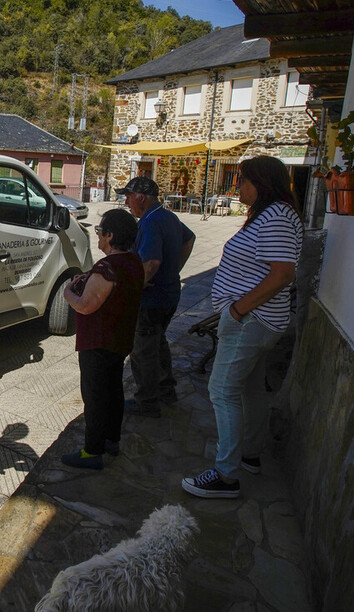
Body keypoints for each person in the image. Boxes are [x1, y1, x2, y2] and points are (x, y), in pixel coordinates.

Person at [182, 156, 303, 499]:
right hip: (258, 320)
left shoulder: (276, 215)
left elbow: (282, 274)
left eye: (243, 180)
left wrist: (236, 310)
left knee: (221, 390)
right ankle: (248, 454)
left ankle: (226, 475)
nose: (238, 187)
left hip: (251, 321)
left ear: (261, 183)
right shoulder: (272, 214)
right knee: (250, 390)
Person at [60, 209, 143, 470]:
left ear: (110, 236)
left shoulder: (107, 267)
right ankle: (111, 440)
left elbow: (86, 305)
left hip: (98, 342)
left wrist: (67, 293)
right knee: (113, 391)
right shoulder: (134, 262)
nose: (97, 235)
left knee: (94, 396)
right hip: (119, 340)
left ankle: (92, 451)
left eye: (100, 231)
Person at [121, 177, 196, 417]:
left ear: (141, 197)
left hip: (152, 300)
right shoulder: (167, 216)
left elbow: (151, 262)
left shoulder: (151, 222)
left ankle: (147, 402)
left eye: (128, 196)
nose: (126, 202)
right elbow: (189, 239)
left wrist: (135, 288)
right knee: (158, 343)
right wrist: (174, 270)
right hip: (169, 294)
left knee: (143, 351)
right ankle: (166, 390)